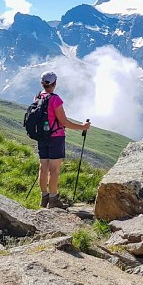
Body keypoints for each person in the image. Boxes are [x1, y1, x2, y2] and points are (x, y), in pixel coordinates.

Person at [35, 71, 90, 209]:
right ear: (55, 83)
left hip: (42, 137)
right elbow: (64, 122)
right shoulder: (55, 99)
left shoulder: (37, 97)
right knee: (54, 169)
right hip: (56, 137)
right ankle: (53, 200)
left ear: (43, 83)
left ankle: (44, 198)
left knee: (43, 168)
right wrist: (83, 127)